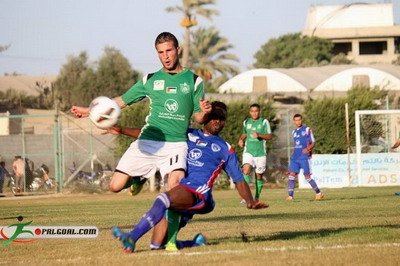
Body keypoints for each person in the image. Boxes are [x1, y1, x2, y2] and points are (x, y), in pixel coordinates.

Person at [110, 101, 269, 253]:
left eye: (222, 119)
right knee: (157, 244)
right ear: (205, 116)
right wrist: (120, 130)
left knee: (163, 199)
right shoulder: (186, 133)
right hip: (180, 191)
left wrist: (250, 201)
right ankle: (195, 242)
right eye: (214, 116)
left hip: (198, 191)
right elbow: (151, 137)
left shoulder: (224, 148)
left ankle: (131, 236)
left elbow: (239, 180)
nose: (217, 121)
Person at [70, 32, 211, 194]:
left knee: (174, 187)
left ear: (178, 50)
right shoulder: (150, 80)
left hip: (176, 144)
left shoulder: (194, 81)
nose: (165, 56)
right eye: (161, 52)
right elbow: (122, 101)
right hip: (147, 141)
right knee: (114, 186)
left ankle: (171, 217)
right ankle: (138, 178)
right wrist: (90, 111)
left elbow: (199, 118)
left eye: (169, 51)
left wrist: (205, 112)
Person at [238, 104, 273, 204]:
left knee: (259, 176)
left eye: (256, 111)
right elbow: (245, 133)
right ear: (250, 112)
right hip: (248, 151)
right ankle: (245, 197)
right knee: (246, 170)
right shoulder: (246, 122)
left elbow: (270, 136)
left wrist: (259, 135)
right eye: (252, 111)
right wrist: (241, 139)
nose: (254, 113)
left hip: (260, 153)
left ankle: (257, 197)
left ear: (259, 111)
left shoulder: (264, 122)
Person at [287, 114, 324, 200]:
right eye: (296, 120)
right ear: (294, 121)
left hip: (304, 157)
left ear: (302, 120)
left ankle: (319, 193)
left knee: (307, 177)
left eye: (299, 120)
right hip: (295, 158)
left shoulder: (307, 129)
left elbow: (313, 142)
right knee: (291, 175)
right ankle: (290, 196)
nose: (298, 122)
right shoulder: (293, 132)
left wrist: (308, 148)